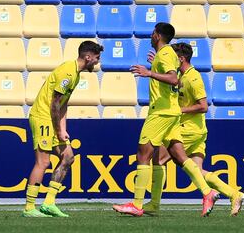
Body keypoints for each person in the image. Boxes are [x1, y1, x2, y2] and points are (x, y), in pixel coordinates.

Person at [112, 23, 219, 217]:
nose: (151, 36)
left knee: (143, 154)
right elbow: (173, 73)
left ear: (157, 35)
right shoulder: (167, 54)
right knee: (178, 157)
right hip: (172, 113)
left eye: (153, 33)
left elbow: (173, 79)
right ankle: (207, 192)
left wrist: (149, 72)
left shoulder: (166, 53)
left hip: (161, 113)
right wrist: (155, 65)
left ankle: (137, 204)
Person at [143, 43, 244, 217]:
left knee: (158, 160)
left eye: (173, 58)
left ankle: (154, 204)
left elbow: (203, 106)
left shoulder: (193, 78)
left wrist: (179, 110)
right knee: (197, 171)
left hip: (188, 129)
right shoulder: (182, 74)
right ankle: (234, 194)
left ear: (181, 59)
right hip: (196, 129)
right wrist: (157, 64)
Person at [22, 41, 104, 217]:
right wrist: (58, 130)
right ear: (88, 57)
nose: (97, 62)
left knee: (68, 157)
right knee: (43, 162)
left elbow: (63, 105)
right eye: (96, 58)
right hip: (43, 117)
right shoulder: (67, 72)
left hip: (53, 119)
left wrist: (63, 129)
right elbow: (54, 103)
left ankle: (49, 203)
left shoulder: (76, 74)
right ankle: (29, 208)